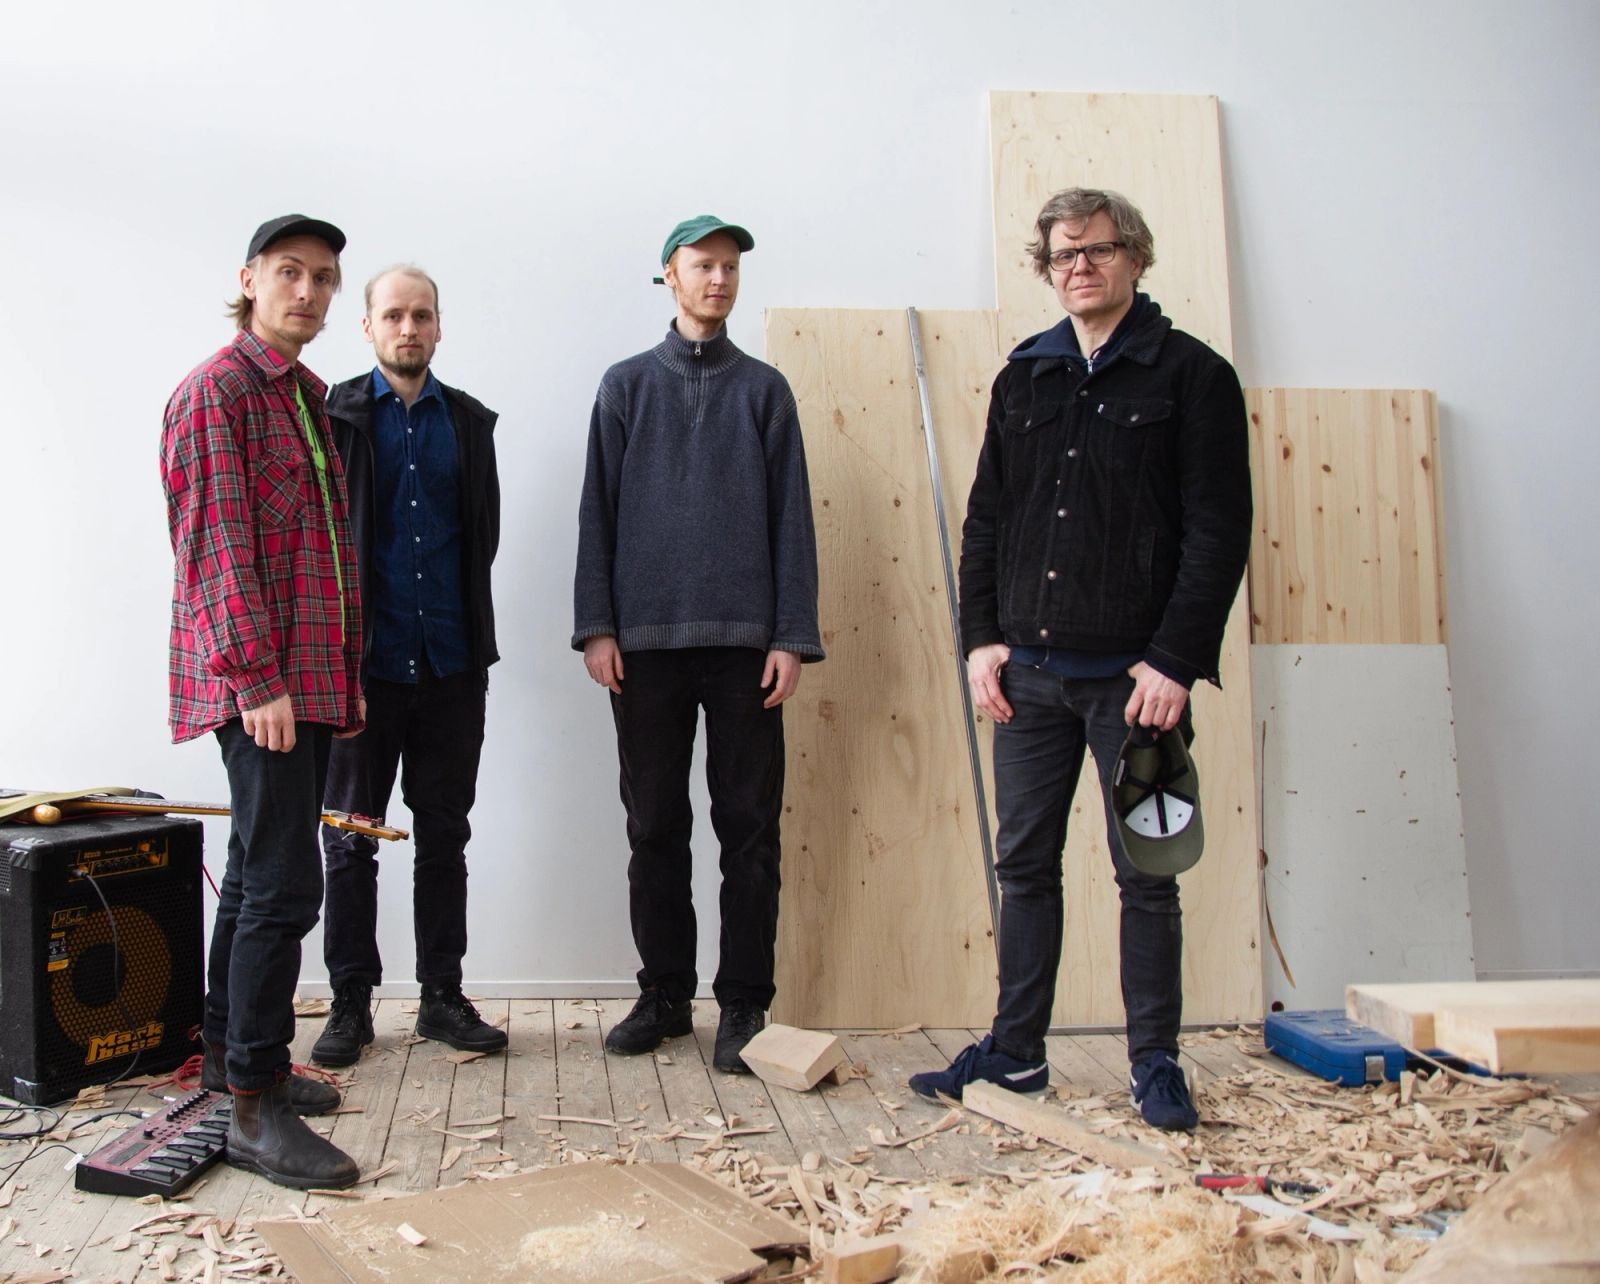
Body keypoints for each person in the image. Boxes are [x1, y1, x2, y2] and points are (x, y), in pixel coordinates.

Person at [909, 188, 1252, 1131]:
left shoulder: (1193, 377)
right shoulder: (1025, 377)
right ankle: (1017, 1053)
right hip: (1029, 679)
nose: (1081, 267)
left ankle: (1154, 1063)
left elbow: (1218, 533)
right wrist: (982, 640)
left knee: (1148, 872)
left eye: (1098, 250)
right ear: (1048, 268)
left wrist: (1174, 661)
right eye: (1064, 255)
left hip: (1138, 686)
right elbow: (986, 520)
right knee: (1024, 866)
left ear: (1135, 257)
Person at [573, 215, 823, 1073]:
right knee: (654, 828)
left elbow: (792, 519)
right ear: (670, 276)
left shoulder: (765, 392)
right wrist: (597, 627)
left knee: (749, 830)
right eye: (702, 265)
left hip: (747, 648)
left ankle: (745, 1004)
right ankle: (665, 996)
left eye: (729, 267)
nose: (718, 279)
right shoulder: (625, 387)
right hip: (643, 648)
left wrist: (791, 636)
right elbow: (597, 511)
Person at [161, 213, 364, 1188]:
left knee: (251, 875)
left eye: (324, 278)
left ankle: (228, 1062)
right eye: (291, 272)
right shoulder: (218, 393)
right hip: (263, 685)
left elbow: (325, 558)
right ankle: (253, 1107)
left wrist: (336, 681)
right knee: (285, 886)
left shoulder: (305, 399)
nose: (309, 291)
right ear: (249, 280)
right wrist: (257, 679)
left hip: (304, 680)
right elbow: (214, 550)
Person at [311, 266, 506, 1065]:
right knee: (350, 838)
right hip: (363, 669)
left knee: (444, 836)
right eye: (393, 315)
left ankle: (441, 997)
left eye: (421, 315)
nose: (408, 328)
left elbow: (482, 537)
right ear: (367, 326)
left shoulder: (469, 422)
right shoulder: (334, 417)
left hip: (452, 665)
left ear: (438, 325)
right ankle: (350, 1003)